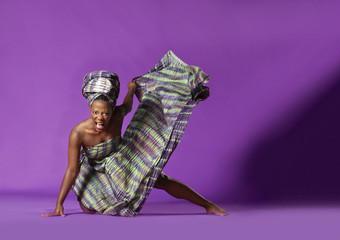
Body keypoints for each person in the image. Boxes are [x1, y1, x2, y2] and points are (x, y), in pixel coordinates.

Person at [42, 51, 227, 217]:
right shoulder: (78, 133)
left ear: (112, 110)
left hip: (120, 162)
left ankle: (208, 205)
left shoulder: (117, 116)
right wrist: (59, 204)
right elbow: (72, 170)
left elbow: (128, 106)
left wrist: (131, 89)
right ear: (90, 109)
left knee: (159, 178)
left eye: (105, 113)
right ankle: (100, 197)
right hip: (93, 171)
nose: (100, 118)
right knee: (87, 209)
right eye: (95, 112)